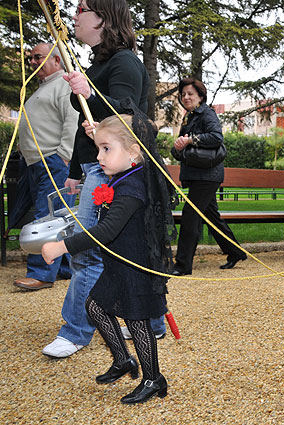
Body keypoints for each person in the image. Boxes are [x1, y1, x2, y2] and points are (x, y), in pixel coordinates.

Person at [43, 0, 165, 359]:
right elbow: (90, 129)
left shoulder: (124, 61)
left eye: (81, 9)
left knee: (89, 251)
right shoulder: (98, 61)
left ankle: (76, 330)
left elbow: (127, 116)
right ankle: (153, 322)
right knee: (126, 246)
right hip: (96, 165)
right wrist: (76, 172)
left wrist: (92, 93)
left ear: (101, 18)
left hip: (113, 168)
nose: (75, 16)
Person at [42, 112, 173, 404]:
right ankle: (123, 360)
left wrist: (61, 247)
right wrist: (101, 133)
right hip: (118, 265)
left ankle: (154, 378)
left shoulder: (132, 187)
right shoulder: (124, 177)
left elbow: (107, 230)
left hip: (135, 267)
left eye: (106, 149)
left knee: (137, 321)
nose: (99, 156)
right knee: (96, 306)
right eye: (99, 148)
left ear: (133, 152)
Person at [13, 43, 78, 291]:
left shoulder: (63, 84)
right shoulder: (46, 87)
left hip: (52, 160)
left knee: (47, 218)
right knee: (59, 217)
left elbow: (72, 120)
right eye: (31, 58)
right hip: (38, 162)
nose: (32, 62)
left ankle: (41, 273)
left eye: (37, 57)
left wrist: (64, 155)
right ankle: (64, 268)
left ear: (57, 60)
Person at [170, 77, 246, 274]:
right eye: (183, 94)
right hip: (198, 174)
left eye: (190, 94)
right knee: (212, 217)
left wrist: (190, 140)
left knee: (190, 216)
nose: (186, 97)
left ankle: (183, 265)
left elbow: (216, 137)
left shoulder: (207, 114)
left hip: (207, 176)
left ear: (201, 97)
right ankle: (235, 251)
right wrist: (179, 146)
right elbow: (182, 145)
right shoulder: (190, 116)